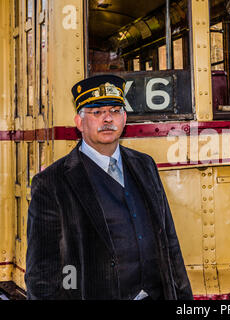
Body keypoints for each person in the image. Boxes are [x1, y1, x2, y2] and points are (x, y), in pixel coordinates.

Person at [25, 74, 193, 300]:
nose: (107, 119)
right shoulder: (51, 184)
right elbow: (42, 274)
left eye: (114, 111)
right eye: (96, 112)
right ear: (79, 122)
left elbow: (170, 244)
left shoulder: (145, 165)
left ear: (124, 119)